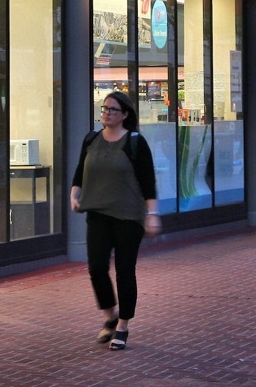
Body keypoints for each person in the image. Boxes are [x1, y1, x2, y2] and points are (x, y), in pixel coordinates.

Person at [70, 91, 159, 351]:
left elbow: (148, 182)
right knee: (96, 268)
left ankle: (122, 326)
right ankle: (109, 315)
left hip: (128, 217)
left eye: (112, 109)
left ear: (125, 115)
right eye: (104, 108)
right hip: (97, 213)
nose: (106, 113)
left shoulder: (135, 142)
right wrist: (74, 196)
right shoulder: (91, 139)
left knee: (124, 271)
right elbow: (79, 173)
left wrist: (152, 215)